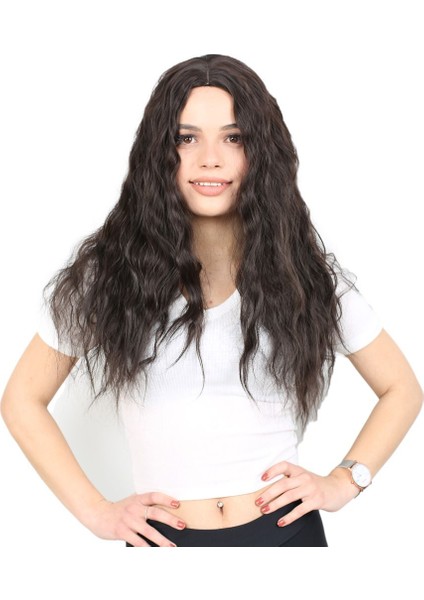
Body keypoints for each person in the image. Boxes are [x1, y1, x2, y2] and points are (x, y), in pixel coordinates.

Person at [1, 54, 422, 547]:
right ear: (160, 152)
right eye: (187, 138)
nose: (210, 159)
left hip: (287, 537)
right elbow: (22, 400)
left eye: (233, 138)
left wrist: (344, 482)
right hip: (162, 543)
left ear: (259, 151)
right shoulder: (109, 275)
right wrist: (96, 513)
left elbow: (402, 388)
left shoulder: (306, 275)